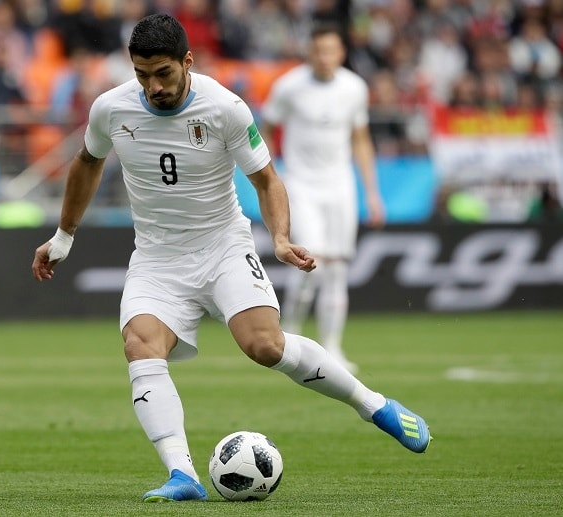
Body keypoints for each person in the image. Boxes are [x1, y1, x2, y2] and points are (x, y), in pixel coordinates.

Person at [32, 14, 430, 503]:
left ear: (187, 62)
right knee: (140, 344)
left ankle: (374, 406)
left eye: (163, 73)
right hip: (157, 258)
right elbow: (86, 163)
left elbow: (266, 179)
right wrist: (64, 235)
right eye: (142, 75)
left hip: (223, 245)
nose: (153, 87)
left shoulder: (226, 107)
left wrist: (280, 238)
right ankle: (183, 475)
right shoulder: (111, 109)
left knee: (264, 345)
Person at [261, 23, 385, 374]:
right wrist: (269, 177)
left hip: (340, 186)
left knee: (337, 270)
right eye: (318, 51)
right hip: (301, 184)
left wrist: (372, 193)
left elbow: (360, 139)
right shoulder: (289, 86)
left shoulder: (354, 88)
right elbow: (266, 128)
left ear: (341, 53)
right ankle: (290, 337)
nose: (324, 57)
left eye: (330, 50)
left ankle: (332, 348)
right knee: (309, 260)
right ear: (309, 52)